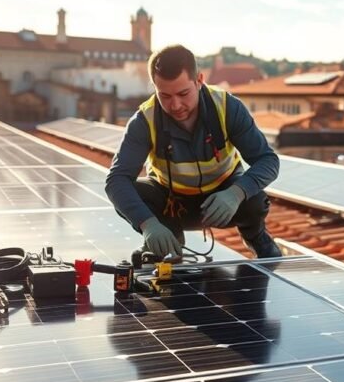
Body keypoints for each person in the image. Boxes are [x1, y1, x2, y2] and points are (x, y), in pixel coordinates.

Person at [106, 44, 282, 260]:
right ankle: (167, 240)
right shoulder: (144, 120)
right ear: (155, 87)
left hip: (223, 202)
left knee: (255, 198)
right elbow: (116, 181)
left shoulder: (227, 107)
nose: (176, 105)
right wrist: (148, 223)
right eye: (165, 96)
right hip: (172, 205)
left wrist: (236, 193)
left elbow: (268, 160)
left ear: (199, 80)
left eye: (183, 93)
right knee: (130, 193)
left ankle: (256, 237)